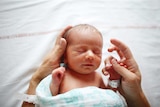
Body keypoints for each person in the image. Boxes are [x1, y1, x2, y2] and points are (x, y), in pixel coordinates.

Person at [22, 25, 150, 107]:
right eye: (81, 51)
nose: (90, 56)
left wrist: (114, 80)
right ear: (65, 56)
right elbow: (49, 97)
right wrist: (54, 81)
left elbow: (110, 95)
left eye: (96, 52)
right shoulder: (62, 74)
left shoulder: (97, 77)